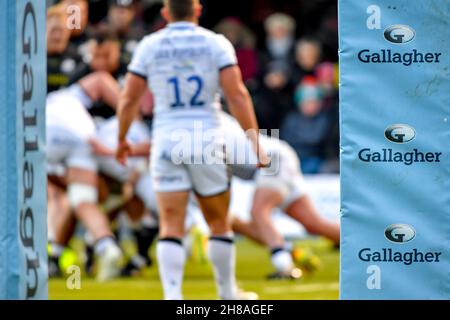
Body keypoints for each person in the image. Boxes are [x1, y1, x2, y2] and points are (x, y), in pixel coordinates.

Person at [116, 0, 268, 300]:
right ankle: (227, 294)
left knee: (170, 224)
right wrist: (255, 142)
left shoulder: (149, 45)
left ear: (165, 12)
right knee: (219, 223)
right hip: (205, 139)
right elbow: (236, 95)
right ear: (197, 10)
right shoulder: (216, 43)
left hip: (166, 140)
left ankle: (173, 297)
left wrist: (121, 139)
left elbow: (129, 98)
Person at [218, 112, 340, 278]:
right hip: (279, 155)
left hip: (273, 159)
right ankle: (366, 244)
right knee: (313, 224)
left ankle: (283, 266)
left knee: (259, 211)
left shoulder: (202, 127)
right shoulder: (208, 119)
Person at [46, 72, 123, 281]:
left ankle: (51, 253)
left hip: (48, 134)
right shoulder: (73, 101)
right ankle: (106, 247)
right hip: (84, 138)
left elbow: (99, 79)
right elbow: (101, 80)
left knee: (55, 196)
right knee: (82, 200)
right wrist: (130, 116)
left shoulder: (54, 100)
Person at [47, 5, 82, 93]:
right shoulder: (34, 59)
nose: (57, 36)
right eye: (54, 30)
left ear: (68, 32)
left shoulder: (77, 57)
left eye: (61, 31)